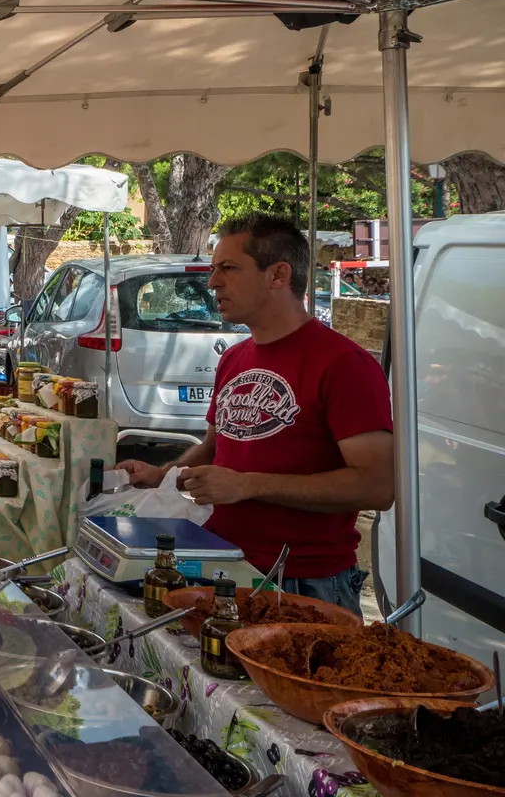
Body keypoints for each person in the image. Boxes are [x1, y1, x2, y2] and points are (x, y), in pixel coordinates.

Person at [115, 213, 393, 609]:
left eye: (228, 269)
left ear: (278, 275)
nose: (212, 283)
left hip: (300, 583)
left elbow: (377, 487)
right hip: (223, 562)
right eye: (213, 270)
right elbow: (216, 448)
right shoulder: (234, 358)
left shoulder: (344, 364)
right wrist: (165, 475)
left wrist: (249, 485)